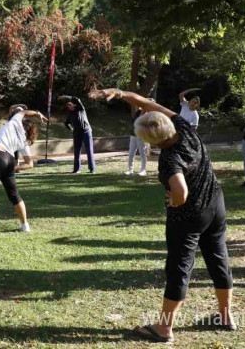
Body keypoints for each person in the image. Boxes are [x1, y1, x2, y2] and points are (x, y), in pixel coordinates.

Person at [89, 87, 234, 344]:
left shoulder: (168, 157)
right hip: (215, 204)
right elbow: (147, 103)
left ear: (149, 141)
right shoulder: (183, 127)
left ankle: (164, 329)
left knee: (179, 268)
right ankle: (225, 316)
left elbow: (180, 190)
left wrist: (175, 200)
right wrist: (120, 93)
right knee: (218, 258)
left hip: (189, 216)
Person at [0, 108, 47, 239]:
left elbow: (24, 112)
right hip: (9, 161)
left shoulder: (15, 121)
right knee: (14, 195)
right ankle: (25, 225)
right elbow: (30, 164)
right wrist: (13, 169)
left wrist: (38, 113)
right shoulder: (24, 141)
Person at [59, 95, 95, 173]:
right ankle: (77, 169)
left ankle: (92, 169)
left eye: (70, 105)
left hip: (86, 131)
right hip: (77, 133)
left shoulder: (81, 109)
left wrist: (65, 96)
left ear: (74, 105)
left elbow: (77, 98)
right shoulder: (70, 114)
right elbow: (66, 123)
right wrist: (71, 129)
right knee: (77, 151)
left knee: (89, 150)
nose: (69, 106)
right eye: (68, 106)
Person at [125, 101, 153, 176]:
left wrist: (149, 102)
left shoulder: (147, 115)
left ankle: (143, 170)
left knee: (142, 154)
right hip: (133, 135)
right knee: (131, 153)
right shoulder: (138, 112)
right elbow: (137, 104)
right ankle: (130, 170)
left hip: (141, 136)